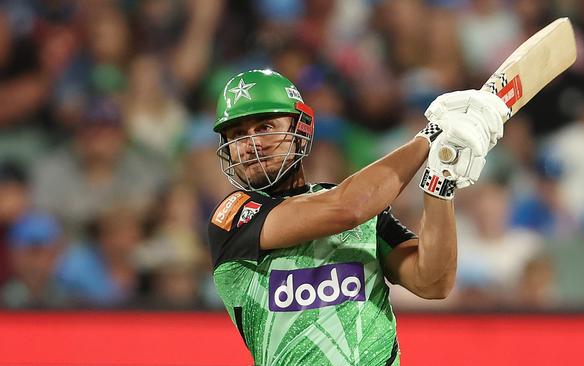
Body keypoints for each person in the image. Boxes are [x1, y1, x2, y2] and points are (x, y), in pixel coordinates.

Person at [208, 69, 506, 365]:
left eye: (264, 127)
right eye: (237, 135)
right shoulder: (233, 216)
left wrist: (441, 182)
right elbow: (347, 208)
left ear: (299, 131)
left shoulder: (360, 206)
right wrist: (432, 135)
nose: (251, 144)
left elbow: (433, 282)